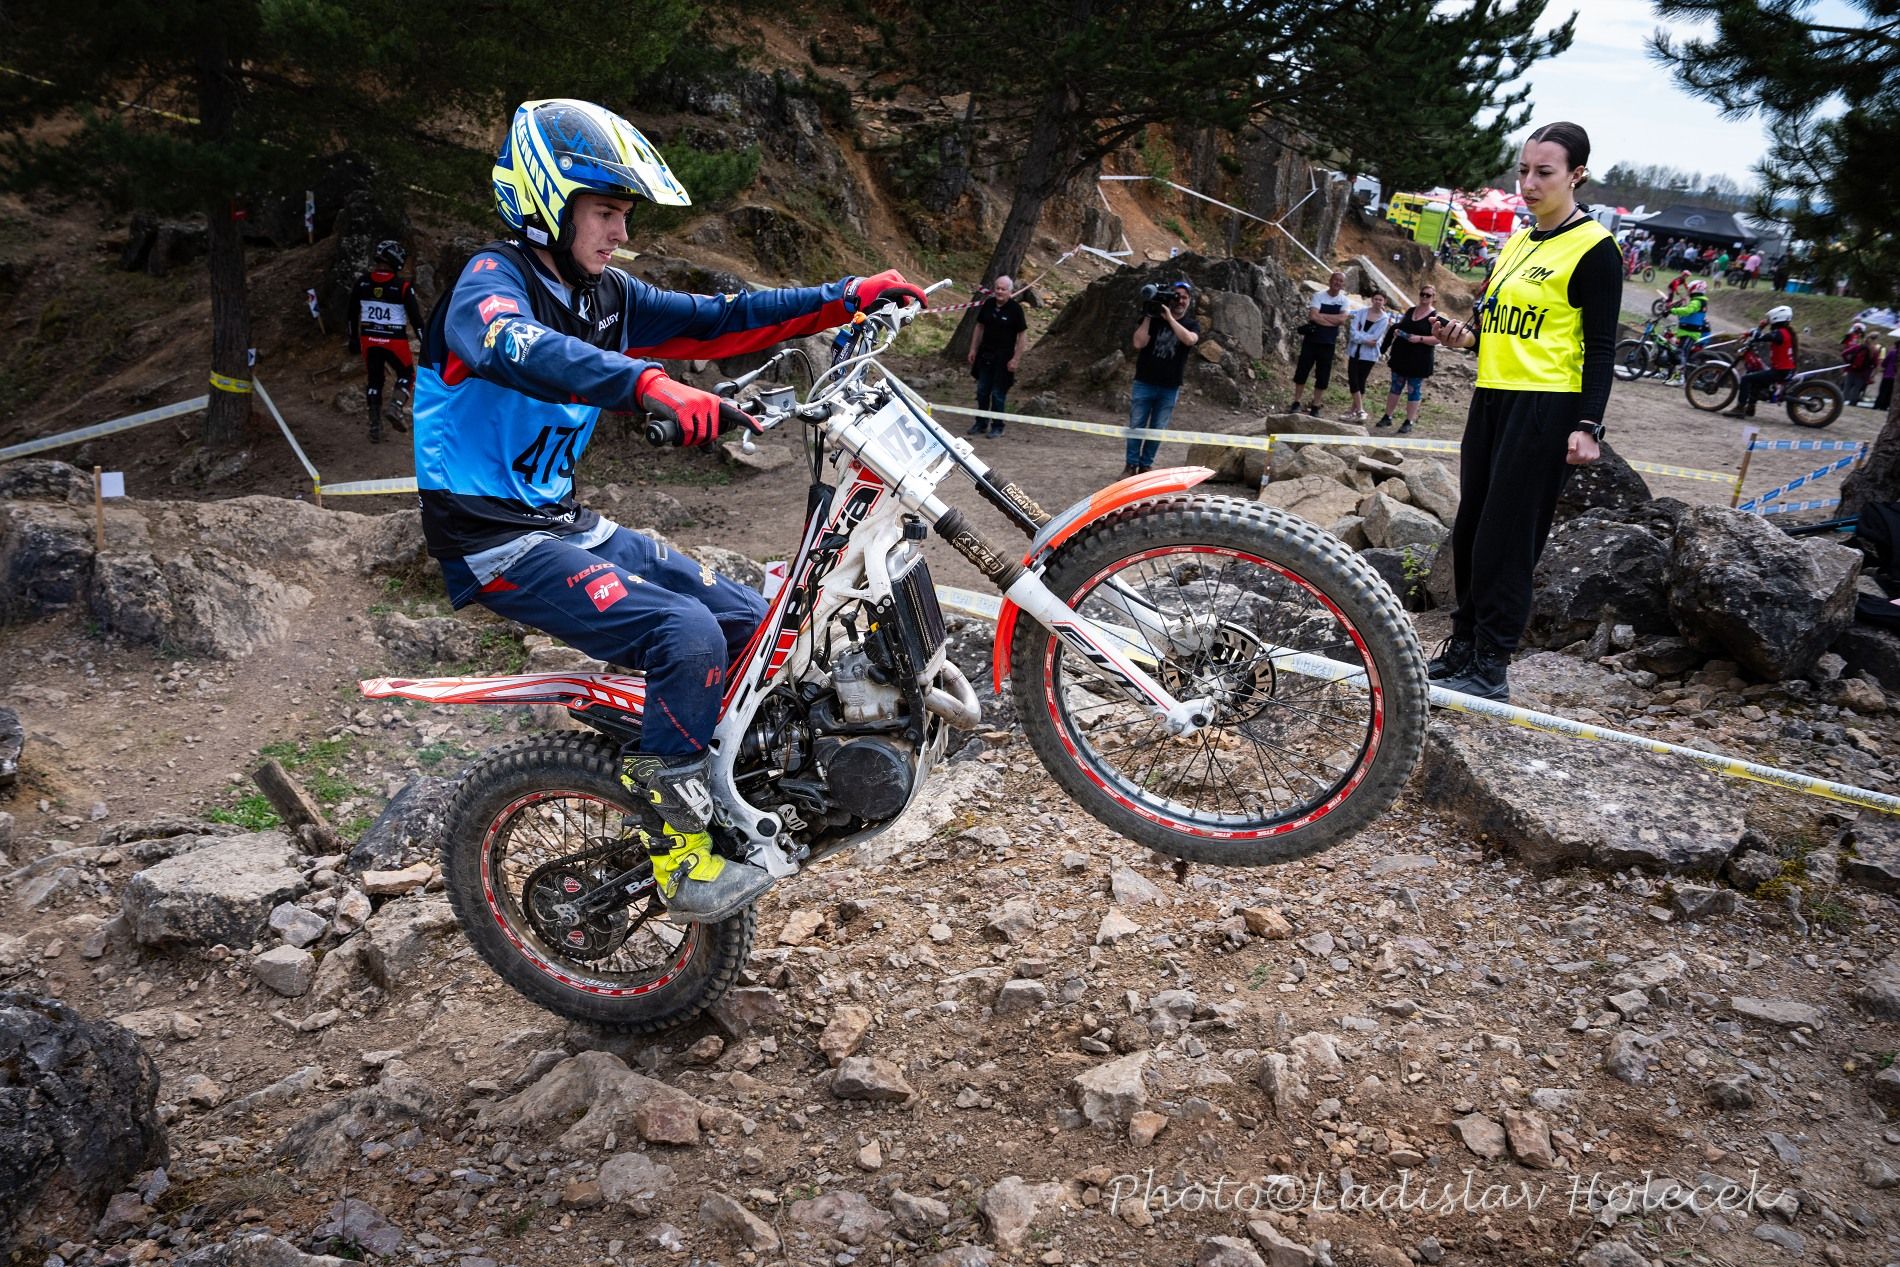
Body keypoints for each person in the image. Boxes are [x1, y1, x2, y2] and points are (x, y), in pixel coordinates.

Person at [412, 98, 925, 921]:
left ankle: (722, 782)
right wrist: (648, 383)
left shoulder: (605, 296)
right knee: (683, 634)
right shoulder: (490, 284)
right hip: (493, 539)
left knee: (753, 623)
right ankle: (679, 852)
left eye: (624, 214)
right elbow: (517, 346)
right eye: (604, 211)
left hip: (564, 522)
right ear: (547, 203)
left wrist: (847, 296)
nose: (620, 231)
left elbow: (720, 321)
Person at [1422, 121, 1618, 702]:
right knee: (1471, 530)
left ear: (1576, 175)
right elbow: (1495, 323)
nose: (1528, 184)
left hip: (1547, 406)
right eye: (1523, 171)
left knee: (1506, 538)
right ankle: (1463, 645)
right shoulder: (1517, 241)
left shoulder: (1595, 249)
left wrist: (1589, 425)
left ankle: (1491, 664)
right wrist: (1465, 338)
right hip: (1493, 395)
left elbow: (1601, 347)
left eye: (1544, 172)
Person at [348, 240, 424, 444]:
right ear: (396, 260)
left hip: (369, 339)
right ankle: (396, 407)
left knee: (374, 380)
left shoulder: (362, 282)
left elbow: (351, 313)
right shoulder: (403, 287)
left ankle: (374, 426)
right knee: (407, 374)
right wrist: (425, 343)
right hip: (394, 340)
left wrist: (352, 338)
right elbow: (416, 320)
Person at [1122, 279, 1200, 477]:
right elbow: (1138, 343)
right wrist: (1149, 315)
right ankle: (1131, 465)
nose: (1180, 301)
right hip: (1144, 381)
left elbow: (1189, 340)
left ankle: (1146, 466)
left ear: (1189, 301)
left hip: (1169, 386)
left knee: (1157, 428)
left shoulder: (1191, 324)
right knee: (1136, 425)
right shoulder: (1153, 319)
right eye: (1177, 296)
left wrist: (1170, 319)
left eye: (1185, 297)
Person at [964, 275, 1029, 437]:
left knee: (998, 394)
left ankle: (998, 426)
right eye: (997, 288)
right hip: (985, 355)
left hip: (1004, 358)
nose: (999, 292)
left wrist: (1016, 359)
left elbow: (1022, 335)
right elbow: (979, 327)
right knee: (982, 391)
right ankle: (981, 423)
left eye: (1003, 289)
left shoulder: (1015, 309)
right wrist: (973, 349)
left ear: (1010, 291)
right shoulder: (988, 304)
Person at [1377, 284, 1440, 434]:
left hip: (1419, 359)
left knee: (1413, 389)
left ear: (1433, 298)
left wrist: (1420, 339)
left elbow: (1438, 339)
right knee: (1395, 386)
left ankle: (1409, 420)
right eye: (1422, 294)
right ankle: (1387, 416)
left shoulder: (1435, 317)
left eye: (1428, 295)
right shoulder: (1411, 310)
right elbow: (1404, 326)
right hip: (1401, 355)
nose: (1424, 297)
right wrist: (1399, 331)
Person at [1288, 271, 1350, 416]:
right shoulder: (1318, 296)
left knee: (1323, 374)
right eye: (1335, 279)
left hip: (1328, 342)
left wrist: (1322, 316)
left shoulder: (1344, 300)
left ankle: (1316, 405)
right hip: (1312, 340)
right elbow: (1313, 316)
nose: (1337, 283)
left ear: (1343, 284)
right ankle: (1296, 402)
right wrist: (1332, 321)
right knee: (1302, 370)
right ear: (1330, 280)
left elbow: (1342, 320)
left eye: (1340, 281)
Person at [1724, 304, 1796, 418]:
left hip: (1780, 371)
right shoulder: (1784, 332)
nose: (1768, 321)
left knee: (1746, 379)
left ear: (1776, 318)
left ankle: (1740, 408)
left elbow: (1760, 336)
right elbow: (1761, 336)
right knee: (1756, 377)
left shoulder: (1779, 333)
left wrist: (1760, 327)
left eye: (1769, 319)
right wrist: (1750, 333)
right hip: (1783, 369)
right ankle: (1750, 408)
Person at [1345, 292, 1391, 422]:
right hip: (1355, 351)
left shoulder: (1384, 319)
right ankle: (1360, 410)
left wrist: (1360, 337)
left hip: (1369, 355)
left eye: (1380, 300)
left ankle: (1354, 411)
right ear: (1372, 299)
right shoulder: (1361, 312)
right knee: (1353, 380)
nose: (1377, 301)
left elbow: (1375, 338)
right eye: (1376, 299)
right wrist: (1365, 339)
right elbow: (1353, 332)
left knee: (1360, 381)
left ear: (1384, 302)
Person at [1667, 279, 1710, 379]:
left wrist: (1672, 310)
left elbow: (1688, 310)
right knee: (1679, 353)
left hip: (1690, 333)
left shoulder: (1697, 301)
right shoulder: (1697, 301)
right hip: (1686, 332)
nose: (1688, 291)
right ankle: (1672, 376)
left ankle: (1679, 378)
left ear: (1695, 289)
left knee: (1681, 355)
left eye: (1689, 289)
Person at [1843, 325, 1875, 406]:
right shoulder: (1873, 351)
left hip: (1852, 369)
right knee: (1857, 388)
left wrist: (1848, 362)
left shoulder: (1857, 347)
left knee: (1847, 386)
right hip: (1863, 372)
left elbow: (1844, 353)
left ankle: (1843, 401)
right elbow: (1875, 363)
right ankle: (1852, 403)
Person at [1876, 339, 1898, 413]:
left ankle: (1877, 405)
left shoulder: (1892, 352)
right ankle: (1885, 406)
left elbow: (1884, 363)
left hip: (1887, 374)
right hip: (1896, 377)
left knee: (1883, 391)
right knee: (1890, 392)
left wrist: (1884, 366)